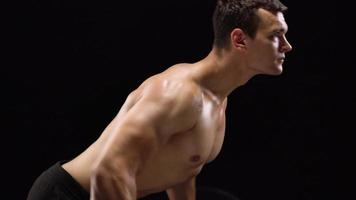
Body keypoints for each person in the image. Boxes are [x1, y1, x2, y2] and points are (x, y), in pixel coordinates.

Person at [27, 0, 292, 199]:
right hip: (66, 194)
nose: (286, 45)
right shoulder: (178, 93)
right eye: (274, 36)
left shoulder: (218, 99)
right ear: (239, 40)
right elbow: (108, 171)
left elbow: (183, 169)